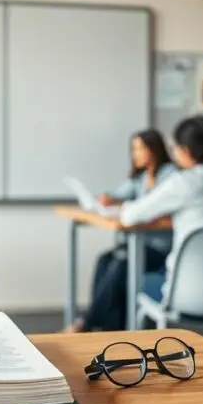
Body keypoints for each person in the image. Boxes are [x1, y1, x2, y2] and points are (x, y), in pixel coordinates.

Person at [116, 115, 203, 304]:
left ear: (187, 151)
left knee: (133, 279)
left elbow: (130, 216)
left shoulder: (185, 182)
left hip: (182, 292)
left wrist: (126, 206)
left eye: (176, 148)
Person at [65, 129, 177, 333]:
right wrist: (109, 198)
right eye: (133, 149)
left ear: (153, 150)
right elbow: (119, 194)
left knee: (120, 266)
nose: (135, 154)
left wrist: (136, 208)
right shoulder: (141, 178)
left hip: (161, 248)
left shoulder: (170, 176)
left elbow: (157, 206)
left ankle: (87, 323)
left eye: (139, 149)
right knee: (105, 260)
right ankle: (110, 328)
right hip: (140, 243)